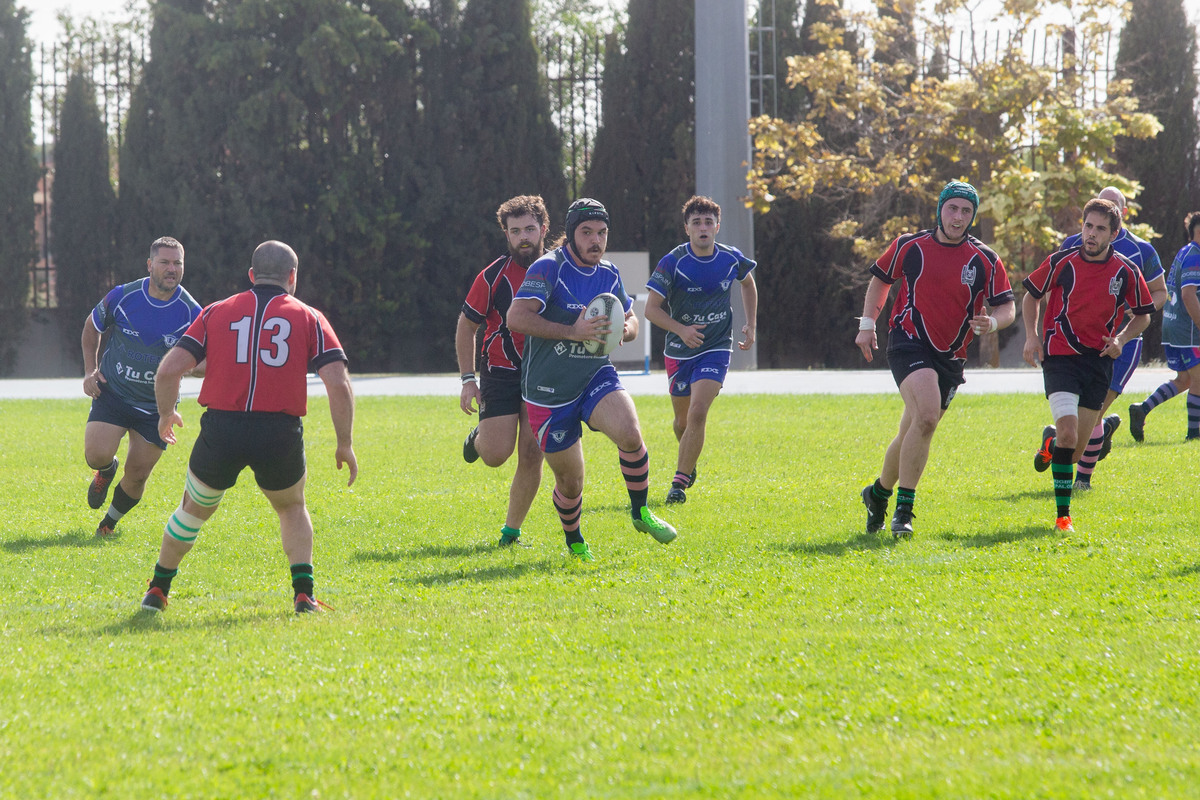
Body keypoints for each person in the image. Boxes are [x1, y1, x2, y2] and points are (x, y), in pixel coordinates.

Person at [139, 241, 357, 614]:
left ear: (252, 275)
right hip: (279, 430)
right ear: (292, 277)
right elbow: (337, 382)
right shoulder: (309, 317)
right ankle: (303, 594)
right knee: (291, 507)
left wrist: (164, 414)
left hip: (223, 428)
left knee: (192, 510)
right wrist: (344, 442)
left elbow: (168, 370)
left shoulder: (216, 312)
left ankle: (158, 590)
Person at [506, 198, 677, 561]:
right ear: (570, 234)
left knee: (630, 434)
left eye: (601, 233)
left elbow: (629, 318)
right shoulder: (547, 269)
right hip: (548, 393)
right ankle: (575, 541)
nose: (595, 241)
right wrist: (573, 330)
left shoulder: (609, 272)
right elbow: (516, 318)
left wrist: (624, 331)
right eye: (587, 232)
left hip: (594, 375)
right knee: (570, 483)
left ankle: (641, 512)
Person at [856, 180, 1015, 539]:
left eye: (966, 211)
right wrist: (867, 324)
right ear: (940, 209)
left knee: (914, 428)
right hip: (907, 340)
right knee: (927, 416)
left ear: (972, 216)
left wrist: (992, 322)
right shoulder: (910, 245)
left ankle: (877, 494)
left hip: (951, 356)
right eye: (952, 208)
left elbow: (1007, 307)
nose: (958, 217)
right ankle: (903, 512)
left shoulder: (985, 259)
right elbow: (880, 281)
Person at [1022, 198, 1156, 532]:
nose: (1091, 234)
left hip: (1098, 363)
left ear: (1114, 233)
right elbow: (1031, 295)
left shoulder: (1126, 270)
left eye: (1099, 229)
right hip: (1060, 357)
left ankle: (1051, 445)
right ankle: (1062, 516)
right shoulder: (1061, 261)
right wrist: (1031, 336)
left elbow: (1143, 316)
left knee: (1076, 447)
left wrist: (1121, 340)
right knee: (1069, 432)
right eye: (1087, 226)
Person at [1040, 187, 1167, 488]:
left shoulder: (1142, 250)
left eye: (1113, 206)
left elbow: (1159, 293)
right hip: (1074, 347)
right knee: (1090, 419)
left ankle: (1080, 476)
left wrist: (1127, 312)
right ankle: (1067, 454)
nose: (1104, 212)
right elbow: (1049, 285)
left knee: (1096, 412)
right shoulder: (1074, 244)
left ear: (1121, 216)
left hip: (1124, 343)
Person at [81, 236, 202, 537]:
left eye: (177, 263)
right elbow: (92, 326)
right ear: (150, 265)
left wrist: (184, 367)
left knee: (137, 476)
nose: (171, 268)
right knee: (95, 455)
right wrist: (88, 371)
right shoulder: (123, 296)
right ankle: (106, 471)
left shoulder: (192, 312)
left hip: (157, 408)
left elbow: (205, 362)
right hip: (114, 393)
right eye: (164, 262)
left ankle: (108, 523)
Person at [643, 195, 757, 504]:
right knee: (682, 422)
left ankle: (678, 484)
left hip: (716, 347)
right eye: (697, 223)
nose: (703, 228)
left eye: (708, 222)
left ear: (717, 227)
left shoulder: (731, 258)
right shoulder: (673, 262)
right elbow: (651, 310)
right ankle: (688, 463)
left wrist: (751, 323)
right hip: (679, 350)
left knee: (697, 412)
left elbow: (748, 283)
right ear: (687, 229)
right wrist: (682, 329)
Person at [456, 195, 547, 547]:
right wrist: (468, 380)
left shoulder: (559, 268)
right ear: (506, 235)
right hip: (499, 371)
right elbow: (467, 326)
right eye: (515, 231)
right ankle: (479, 436)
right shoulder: (492, 276)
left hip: (543, 373)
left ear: (542, 229)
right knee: (495, 455)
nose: (523, 236)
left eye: (529, 228)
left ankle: (511, 532)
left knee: (532, 452)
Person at [1155, 210, 1200, 440]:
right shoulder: (1195, 254)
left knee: (1184, 380)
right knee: (1198, 379)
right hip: (1188, 331)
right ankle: (1194, 435)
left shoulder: (1186, 251)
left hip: (1173, 326)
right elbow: (1188, 295)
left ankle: (1142, 409)